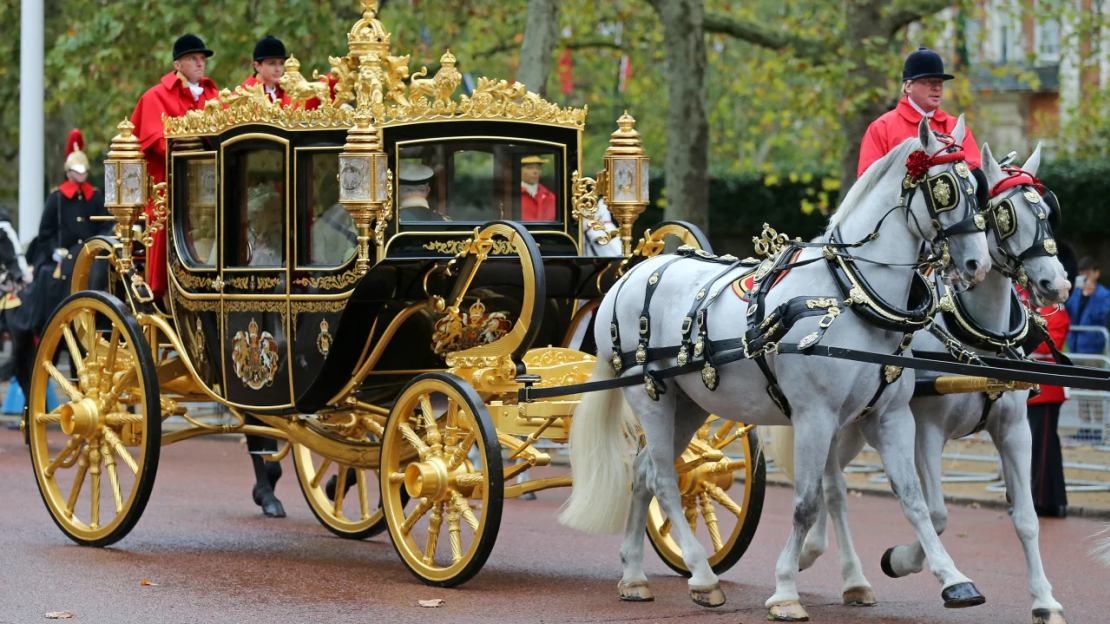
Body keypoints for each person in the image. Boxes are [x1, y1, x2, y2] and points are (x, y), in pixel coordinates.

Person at [130, 34, 220, 297]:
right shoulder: (155, 96)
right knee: (165, 216)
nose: (200, 63)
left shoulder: (213, 95)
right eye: (193, 58)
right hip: (168, 188)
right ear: (177, 64)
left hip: (209, 184)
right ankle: (162, 290)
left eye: (202, 59)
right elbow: (158, 142)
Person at [857, 47, 982, 177]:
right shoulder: (881, 128)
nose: (937, 87)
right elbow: (867, 182)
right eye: (929, 82)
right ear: (908, 86)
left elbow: (976, 177)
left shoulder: (957, 128)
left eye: (940, 82)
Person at [1024, 292, 1071, 518]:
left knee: (1043, 447)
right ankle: (1048, 500)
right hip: (1028, 388)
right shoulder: (1027, 305)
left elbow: (1048, 345)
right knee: (1036, 447)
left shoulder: (1056, 311)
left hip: (1047, 390)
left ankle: (1042, 500)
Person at [1064, 256, 1110, 442]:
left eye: (1088, 274)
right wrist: (1077, 292)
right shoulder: (1076, 294)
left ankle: (1097, 428)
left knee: (1094, 391)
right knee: (1080, 391)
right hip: (1076, 348)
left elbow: (1101, 315)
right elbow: (1067, 311)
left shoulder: (1104, 295)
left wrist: (1090, 297)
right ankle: (1085, 427)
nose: (1085, 278)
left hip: (1093, 349)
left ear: (1096, 273)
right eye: (1082, 275)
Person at [520, 155, 556, 221]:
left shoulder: (550, 197)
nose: (535, 172)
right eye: (529, 168)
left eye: (538, 168)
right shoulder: (512, 195)